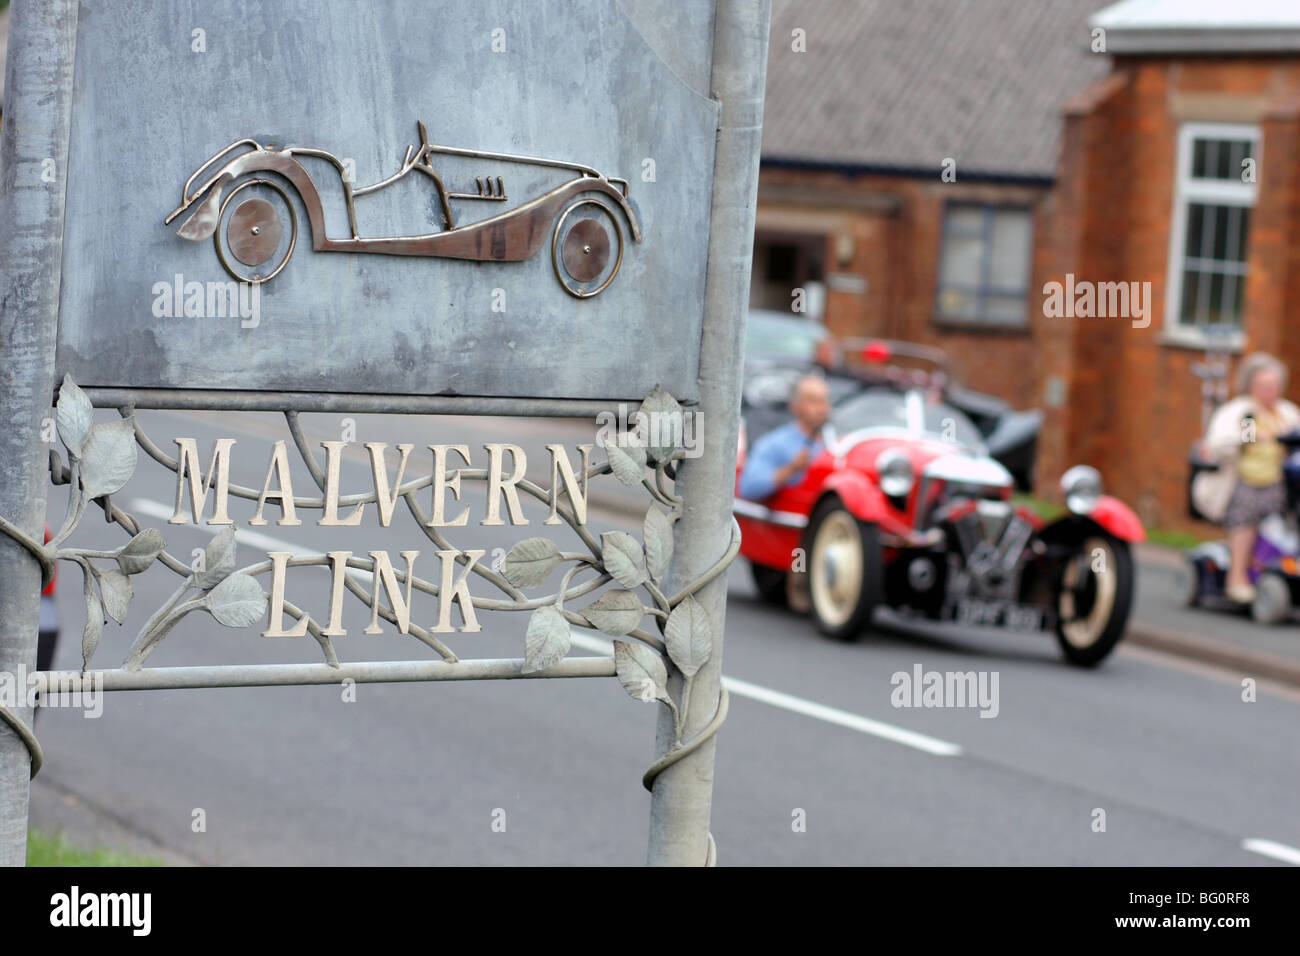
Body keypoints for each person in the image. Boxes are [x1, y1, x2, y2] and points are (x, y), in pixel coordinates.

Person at [1192, 352, 1300, 603]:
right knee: (1247, 517)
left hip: (1280, 482)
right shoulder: (1244, 413)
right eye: (1263, 386)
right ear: (1251, 386)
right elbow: (1223, 443)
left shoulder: (1287, 413)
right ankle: (1236, 577)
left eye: (1274, 386)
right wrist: (1254, 437)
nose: (1269, 392)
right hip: (1244, 480)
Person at [739, 374, 832, 501]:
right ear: (795, 406)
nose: (822, 409)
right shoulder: (775, 443)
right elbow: (748, 487)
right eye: (813, 401)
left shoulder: (838, 441)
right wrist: (792, 469)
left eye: (824, 401)